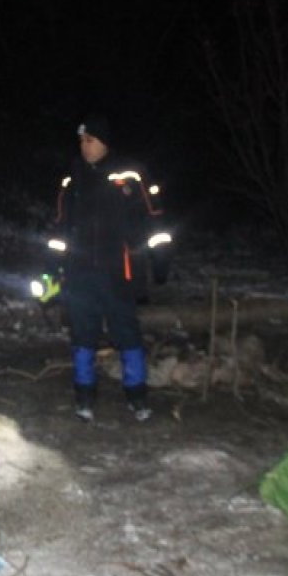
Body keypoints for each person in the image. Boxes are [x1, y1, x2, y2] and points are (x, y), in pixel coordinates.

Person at [43, 114, 171, 422]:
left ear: (104, 143)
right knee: (82, 336)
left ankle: (137, 396)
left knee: (127, 334)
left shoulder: (131, 175)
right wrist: (52, 269)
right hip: (80, 274)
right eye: (81, 141)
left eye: (90, 140)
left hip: (119, 273)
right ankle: (84, 397)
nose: (84, 146)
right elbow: (59, 230)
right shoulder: (71, 179)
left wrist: (160, 259)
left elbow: (155, 221)